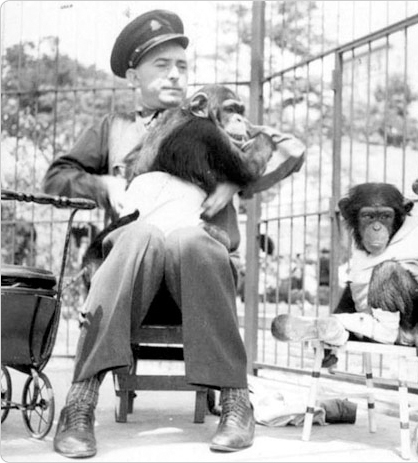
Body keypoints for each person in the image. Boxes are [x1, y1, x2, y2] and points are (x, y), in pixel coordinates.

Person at [42, 10, 304, 458]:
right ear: (132, 76)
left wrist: (233, 179)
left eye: (181, 66)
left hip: (200, 276)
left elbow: (288, 150)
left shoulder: (215, 123)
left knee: (191, 240)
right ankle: (80, 402)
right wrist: (102, 184)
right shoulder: (113, 128)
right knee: (141, 235)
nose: (175, 75)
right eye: (161, 65)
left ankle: (235, 401)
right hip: (130, 275)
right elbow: (56, 178)